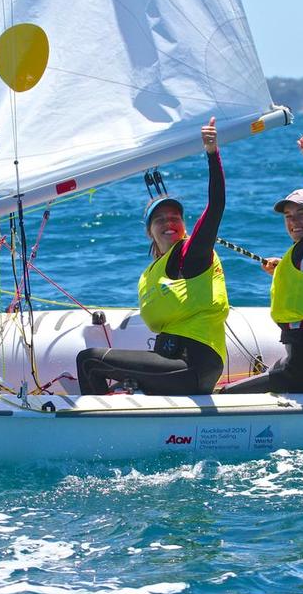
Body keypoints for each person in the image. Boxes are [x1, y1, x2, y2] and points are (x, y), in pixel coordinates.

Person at [75, 118, 230, 395]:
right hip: (173, 363)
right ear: (149, 231)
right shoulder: (152, 272)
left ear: (184, 225)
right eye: (159, 219)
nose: (168, 222)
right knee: (120, 385)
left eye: (175, 217)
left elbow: (216, 205)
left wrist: (212, 152)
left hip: (193, 365)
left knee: (89, 361)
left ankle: (94, 431)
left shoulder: (193, 254)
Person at [223, 134, 303, 394]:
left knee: (227, 395)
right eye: (288, 216)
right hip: (300, 358)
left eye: (302, 214)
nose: (293, 221)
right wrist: (283, 271)